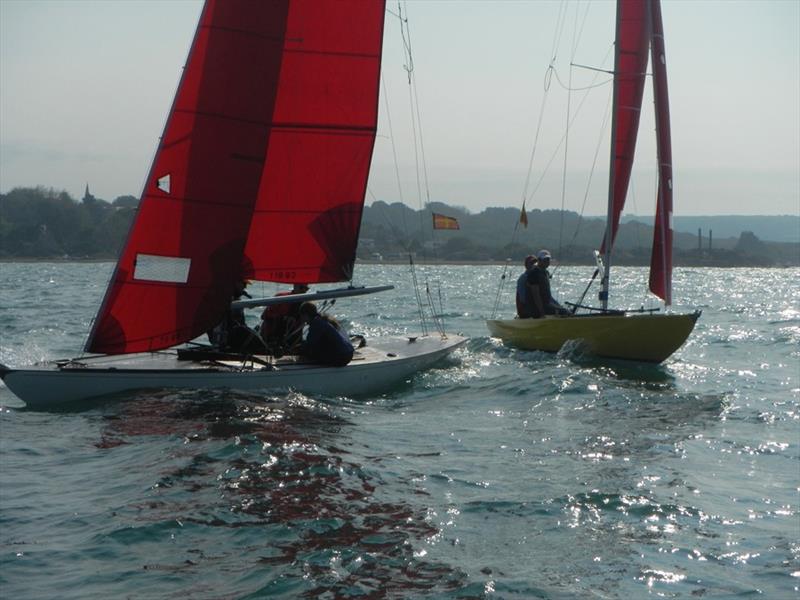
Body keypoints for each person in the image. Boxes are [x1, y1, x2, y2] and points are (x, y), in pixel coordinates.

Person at [208, 280, 264, 352]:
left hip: (233, 336)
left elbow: (242, 323)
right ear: (234, 283)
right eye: (243, 284)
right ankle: (266, 351)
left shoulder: (237, 301)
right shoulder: (222, 299)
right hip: (224, 336)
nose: (245, 287)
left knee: (253, 333)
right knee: (243, 331)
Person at [297, 302, 354, 366]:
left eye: (301, 316)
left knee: (309, 352)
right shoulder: (322, 320)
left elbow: (310, 344)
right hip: (348, 353)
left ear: (305, 315)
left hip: (342, 357)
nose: (301, 319)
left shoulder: (316, 324)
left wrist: (299, 348)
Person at [260, 283, 309, 354]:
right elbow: (264, 316)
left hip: (293, 339)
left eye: (306, 289)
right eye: (301, 287)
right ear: (295, 286)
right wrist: (283, 318)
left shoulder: (305, 303)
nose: (304, 291)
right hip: (273, 337)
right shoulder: (282, 298)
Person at [526, 249, 570, 318]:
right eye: (545, 260)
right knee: (566, 312)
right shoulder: (534, 273)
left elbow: (548, 296)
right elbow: (535, 295)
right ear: (539, 260)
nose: (547, 262)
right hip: (537, 308)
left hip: (547, 305)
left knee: (567, 311)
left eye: (548, 259)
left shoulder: (545, 272)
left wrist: (558, 306)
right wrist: (541, 312)